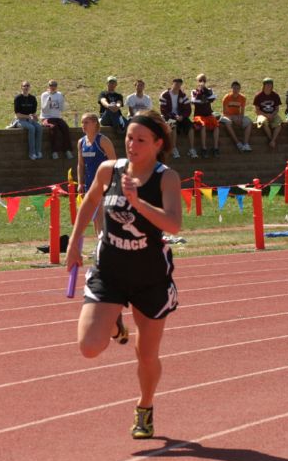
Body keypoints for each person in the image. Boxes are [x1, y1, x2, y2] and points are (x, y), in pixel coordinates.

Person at [66, 110, 182, 440]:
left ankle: (145, 407)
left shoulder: (166, 178)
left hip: (149, 277)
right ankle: (115, 320)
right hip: (110, 270)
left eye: (141, 140)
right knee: (89, 346)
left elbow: (173, 224)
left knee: (146, 355)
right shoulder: (109, 170)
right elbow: (89, 203)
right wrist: (75, 243)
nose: (132, 145)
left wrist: (138, 202)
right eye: (129, 138)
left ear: (158, 144)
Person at [77, 112, 117, 236]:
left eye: (86, 122)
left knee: (100, 214)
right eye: (82, 122)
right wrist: (80, 183)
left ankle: (102, 245)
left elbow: (114, 162)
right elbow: (81, 165)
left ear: (95, 123)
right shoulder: (81, 142)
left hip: (103, 183)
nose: (83, 125)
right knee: (94, 216)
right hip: (89, 184)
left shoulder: (103, 140)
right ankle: (100, 244)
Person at [159, 78, 196, 159]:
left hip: (181, 117)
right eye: (176, 85)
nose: (177, 87)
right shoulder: (165, 95)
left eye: (179, 85)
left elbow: (188, 109)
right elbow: (163, 110)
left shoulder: (183, 95)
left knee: (190, 127)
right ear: (172, 84)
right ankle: (174, 148)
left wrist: (182, 116)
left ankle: (192, 149)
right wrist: (173, 116)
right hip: (169, 117)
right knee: (173, 126)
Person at [41, 79, 73, 159]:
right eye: (51, 85)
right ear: (48, 86)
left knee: (65, 127)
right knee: (53, 127)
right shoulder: (44, 95)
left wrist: (62, 100)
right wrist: (49, 99)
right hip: (47, 118)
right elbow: (44, 110)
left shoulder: (59, 95)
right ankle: (54, 151)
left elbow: (62, 109)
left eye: (55, 85)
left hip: (57, 118)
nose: (53, 87)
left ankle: (67, 150)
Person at [191, 74, 220, 158]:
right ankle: (204, 148)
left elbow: (212, 98)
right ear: (197, 82)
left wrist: (205, 90)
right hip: (198, 116)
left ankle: (215, 148)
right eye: (200, 81)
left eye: (203, 80)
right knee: (203, 125)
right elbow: (194, 101)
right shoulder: (194, 91)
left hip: (208, 115)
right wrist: (200, 91)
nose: (202, 82)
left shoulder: (209, 90)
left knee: (216, 125)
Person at [219, 81, 253, 153]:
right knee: (227, 123)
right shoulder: (226, 97)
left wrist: (240, 118)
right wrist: (233, 118)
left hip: (238, 116)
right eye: (234, 88)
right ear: (231, 88)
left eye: (237, 88)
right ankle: (237, 142)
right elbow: (224, 112)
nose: (236, 90)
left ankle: (245, 144)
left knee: (249, 122)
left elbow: (242, 111)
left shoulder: (243, 98)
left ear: (240, 89)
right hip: (228, 116)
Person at [14, 81, 43, 160]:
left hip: (30, 120)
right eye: (24, 86)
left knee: (39, 128)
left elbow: (33, 113)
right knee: (31, 128)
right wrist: (28, 116)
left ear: (29, 87)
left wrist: (35, 117)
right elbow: (17, 114)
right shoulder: (18, 98)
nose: (26, 87)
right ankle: (32, 153)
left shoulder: (32, 98)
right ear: (21, 87)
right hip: (20, 120)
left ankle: (38, 151)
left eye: (27, 86)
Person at [253, 78, 283, 149]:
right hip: (262, 114)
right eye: (267, 84)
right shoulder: (258, 96)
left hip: (273, 114)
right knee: (263, 122)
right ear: (264, 85)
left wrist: (272, 115)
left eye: (270, 85)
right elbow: (257, 110)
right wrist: (266, 115)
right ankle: (271, 139)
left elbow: (277, 109)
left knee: (279, 124)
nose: (269, 86)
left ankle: (273, 140)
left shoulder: (275, 95)